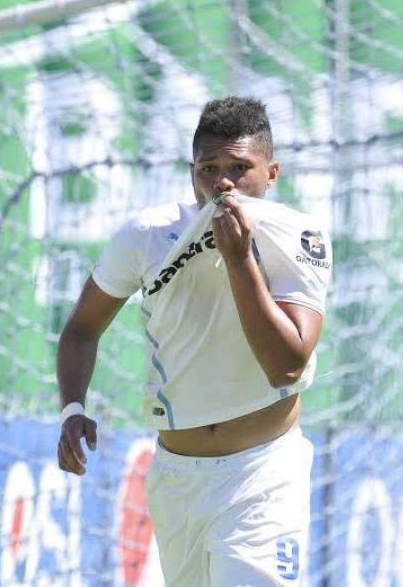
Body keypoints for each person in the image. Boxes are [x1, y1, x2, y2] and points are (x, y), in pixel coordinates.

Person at [56, 96, 331, 585]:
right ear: (191, 173)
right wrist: (71, 410)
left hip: (263, 475)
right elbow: (81, 329)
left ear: (271, 174)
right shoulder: (147, 234)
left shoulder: (300, 236)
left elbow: (286, 365)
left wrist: (239, 258)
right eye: (209, 167)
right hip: (177, 479)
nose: (224, 181)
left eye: (240, 167)